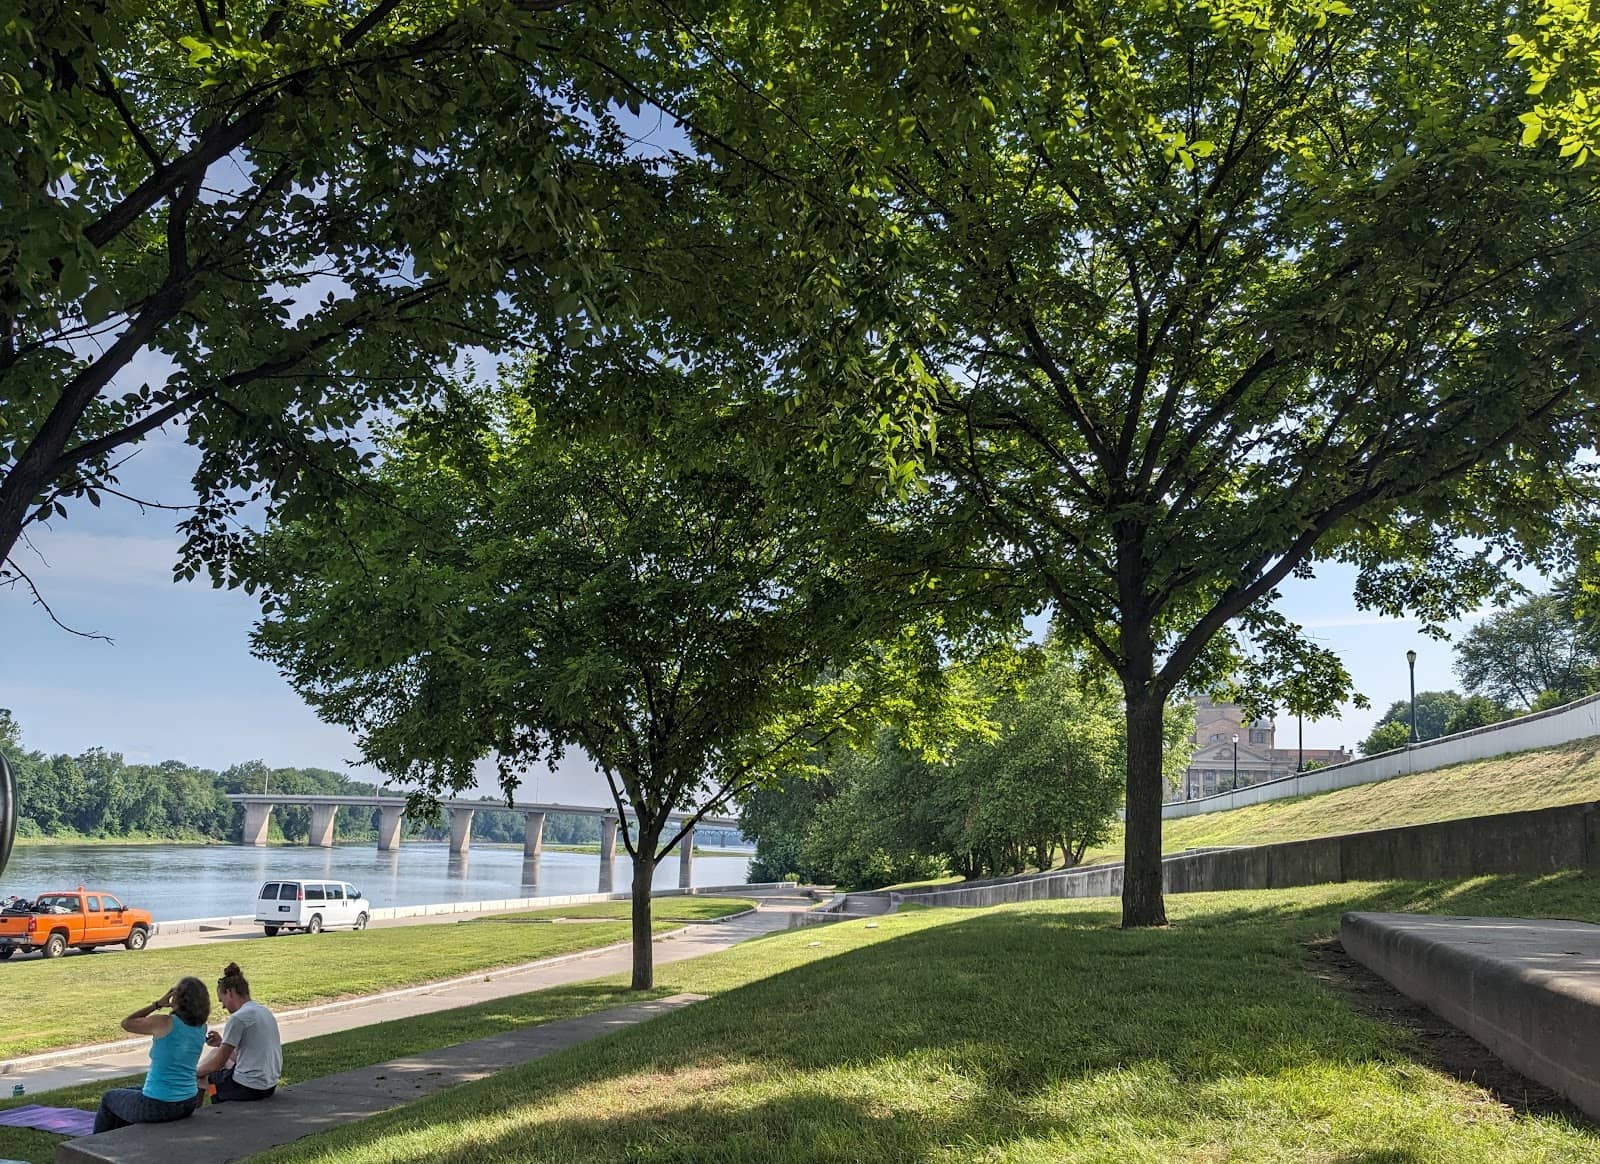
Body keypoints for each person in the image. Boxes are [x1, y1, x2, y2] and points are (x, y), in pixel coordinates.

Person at [93, 978, 210, 1133]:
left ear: (178, 998)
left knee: (109, 1098)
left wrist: (157, 1004)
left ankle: (93, 1146)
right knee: (125, 1092)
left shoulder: (164, 1022)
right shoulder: (202, 1027)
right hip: (188, 1102)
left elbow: (127, 1023)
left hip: (158, 1105)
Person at [196, 961, 281, 1102]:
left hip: (248, 1088)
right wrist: (221, 1043)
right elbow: (244, 1056)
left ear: (229, 992)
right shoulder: (263, 1011)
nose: (223, 1006)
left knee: (208, 1077)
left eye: (221, 1000)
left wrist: (195, 1072)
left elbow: (217, 1063)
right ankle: (202, 1101)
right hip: (268, 1085)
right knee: (215, 1053)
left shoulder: (238, 1018)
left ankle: (214, 1103)